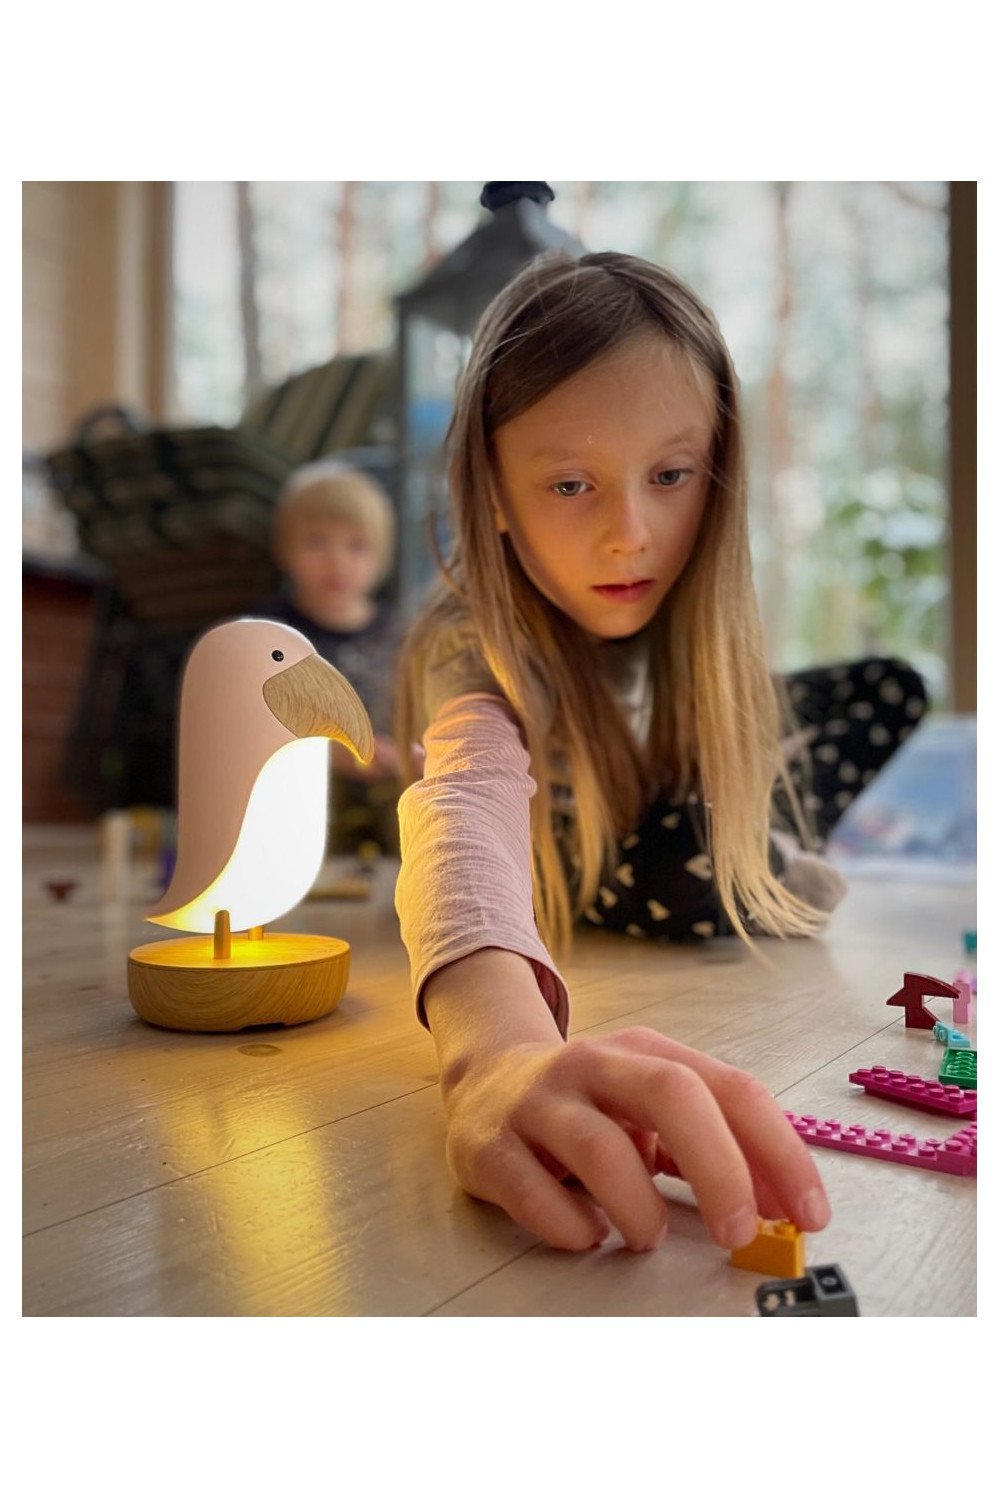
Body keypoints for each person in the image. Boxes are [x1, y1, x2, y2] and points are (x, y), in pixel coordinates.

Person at [393, 250, 927, 1256]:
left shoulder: (693, 630)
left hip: (684, 790)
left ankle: (754, 836)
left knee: (892, 684)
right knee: (685, 864)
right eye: (569, 483)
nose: (629, 535)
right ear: (492, 492)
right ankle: (755, 848)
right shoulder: (472, 643)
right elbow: (463, 801)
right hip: (593, 856)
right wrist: (493, 1052)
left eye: (671, 476)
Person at [260, 461, 402, 854]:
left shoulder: (401, 636)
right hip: (301, 793)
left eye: (356, 546)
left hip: (387, 790)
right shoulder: (268, 635)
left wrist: (403, 753)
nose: (337, 561)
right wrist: (324, 754)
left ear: (381, 557)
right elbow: (251, 723)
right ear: (284, 547)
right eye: (316, 542)